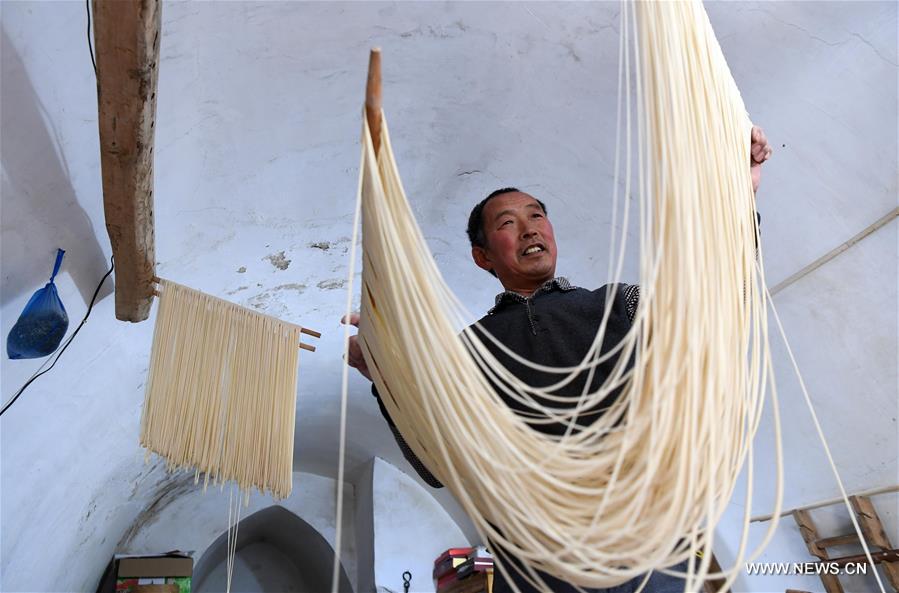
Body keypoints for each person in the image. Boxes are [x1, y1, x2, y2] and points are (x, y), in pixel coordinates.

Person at [343, 127, 774, 593]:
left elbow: (719, 306)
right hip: (536, 564)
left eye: (537, 215)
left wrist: (738, 198)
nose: (530, 228)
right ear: (481, 256)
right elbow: (433, 463)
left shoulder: (621, 305)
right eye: (507, 223)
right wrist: (384, 381)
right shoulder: (462, 354)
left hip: (649, 544)